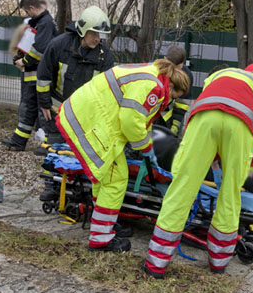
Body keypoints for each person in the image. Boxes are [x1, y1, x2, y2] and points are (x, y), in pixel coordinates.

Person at [142, 64, 253, 278]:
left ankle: (156, 264)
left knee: (181, 189)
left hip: (203, 119)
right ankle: (218, 262)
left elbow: (211, 99)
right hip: (240, 127)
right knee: (230, 195)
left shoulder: (221, 73)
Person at [56, 60, 190, 252]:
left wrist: (145, 140)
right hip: (94, 123)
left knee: (104, 177)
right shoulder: (154, 86)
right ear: (173, 86)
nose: (172, 101)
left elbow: (139, 116)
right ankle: (101, 238)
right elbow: (129, 120)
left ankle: (102, 223)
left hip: (87, 115)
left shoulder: (151, 74)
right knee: (116, 180)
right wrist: (145, 148)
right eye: (176, 96)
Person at [36, 5, 115, 144]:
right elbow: (43, 76)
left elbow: (106, 90)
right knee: (52, 150)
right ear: (83, 31)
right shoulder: (59, 45)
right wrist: (44, 103)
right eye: (94, 34)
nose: (98, 39)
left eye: (100, 35)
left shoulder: (105, 57)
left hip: (85, 115)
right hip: (56, 110)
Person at [1, 0, 57, 151]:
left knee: (43, 111)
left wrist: (24, 62)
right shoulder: (40, 23)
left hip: (40, 74)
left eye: (26, 11)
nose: (26, 15)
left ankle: (47, 145)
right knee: (27, 108)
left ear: (32, 8)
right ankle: (19, 140)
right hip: (33, 74)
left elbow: (40, 49)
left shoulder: (45, 23)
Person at [155, 45, 195, 136]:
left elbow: (182, 102)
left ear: (182, 63)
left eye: (176, 68)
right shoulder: (156, 70)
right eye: (170, 66)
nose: (173, 71)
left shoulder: (186, 76)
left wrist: (175, 125)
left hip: (169, 116)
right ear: (164, 59)